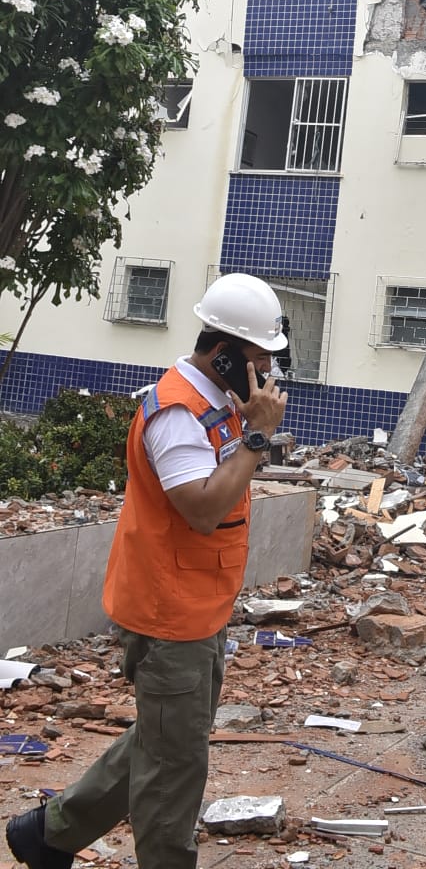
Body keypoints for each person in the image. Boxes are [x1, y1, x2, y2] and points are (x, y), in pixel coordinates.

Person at [5, 273, 289, 869]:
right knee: (174, 768)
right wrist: (258, 437)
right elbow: (205, 509)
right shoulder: (176, 415)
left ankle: (49, 835)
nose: (267, 373)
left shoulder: (217, 404)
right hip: (169, 612)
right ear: (223, 356)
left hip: (199, 602)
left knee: (166, 740)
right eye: (259, 360)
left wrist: (250, 432)